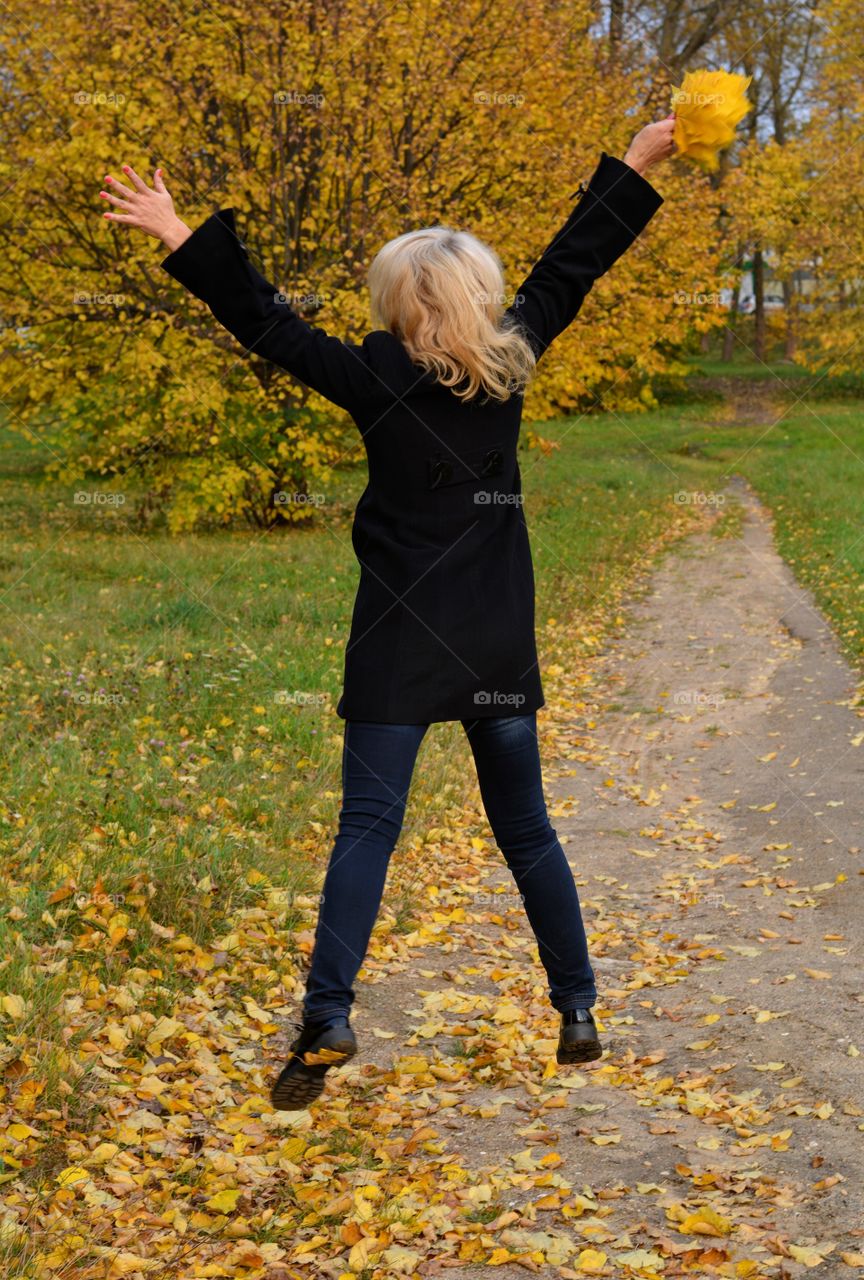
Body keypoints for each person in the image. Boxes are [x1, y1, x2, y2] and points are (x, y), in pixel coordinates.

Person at [99, 114, 675, 1110]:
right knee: (527, 828)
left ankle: (328, 1014)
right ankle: (577, 1007)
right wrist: (636, 160)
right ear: (482, 301)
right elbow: (573, 261)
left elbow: (268, 322)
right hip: (493, 639)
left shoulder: (372, 377)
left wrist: (179, 231)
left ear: (396, 308)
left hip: (399, 640)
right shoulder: (513, 362)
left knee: (367, 826)